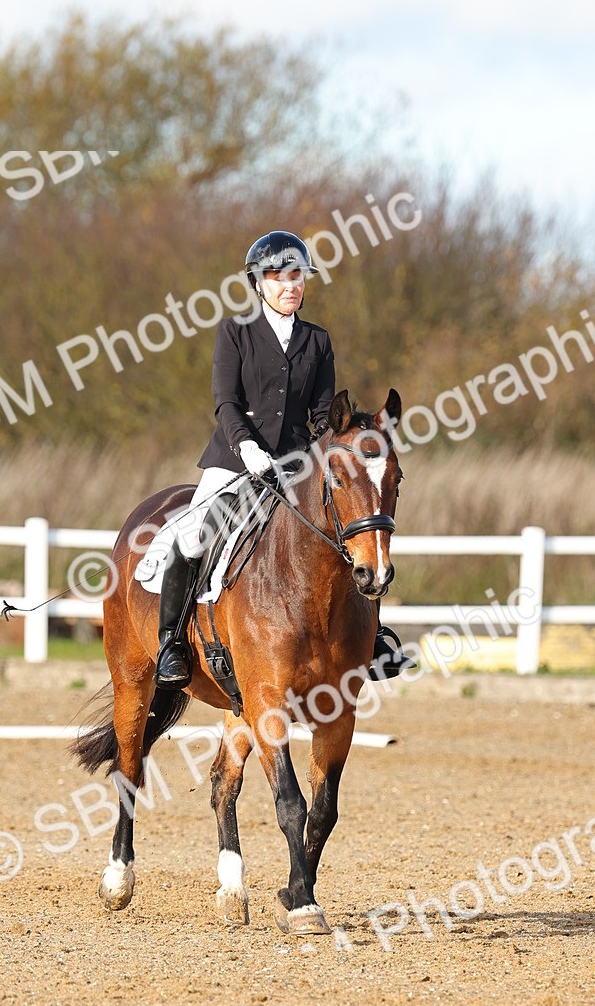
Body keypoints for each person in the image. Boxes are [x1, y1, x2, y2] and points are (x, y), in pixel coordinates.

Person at [153, 229, 412, 686]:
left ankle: (370, 641)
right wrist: (247, 446)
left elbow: (324, 414)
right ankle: (172, 643)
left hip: (296, 465)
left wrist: (316, 449)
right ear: (258, 282)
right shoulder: (235, 332)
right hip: (236, 460)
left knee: (350, 532)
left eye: (297, 276)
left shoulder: (318, 341)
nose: (289, 285)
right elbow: (226, 402)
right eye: (278, 276)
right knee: (193, 537)